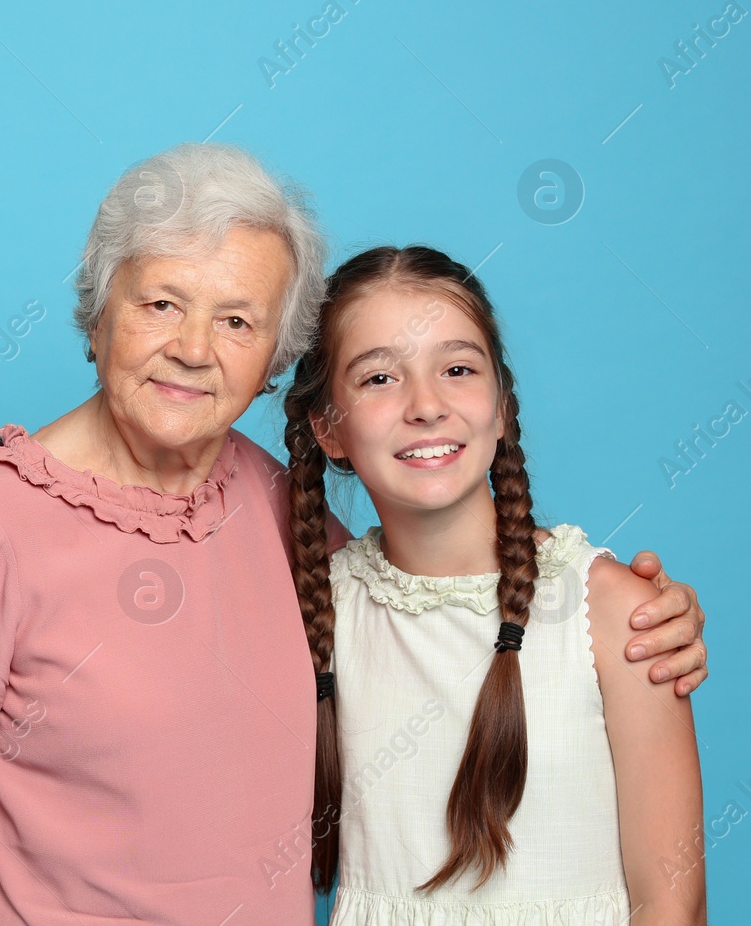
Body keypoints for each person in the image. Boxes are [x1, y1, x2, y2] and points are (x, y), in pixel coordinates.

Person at [0, 143, 708, 925]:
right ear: (97, 318)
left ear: (271, 364)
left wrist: (619, 604)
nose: (193, 348)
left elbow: (447, 588)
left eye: (237, 320)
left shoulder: (277, 509)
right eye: (162, 303)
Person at [283, 245, 704, 923]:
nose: (426, 405)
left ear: (502, 406)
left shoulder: (618, 612)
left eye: (457, 368)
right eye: (379, 378)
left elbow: (673, 903)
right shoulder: (311, 611)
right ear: (328, 428)